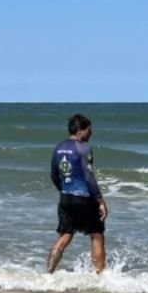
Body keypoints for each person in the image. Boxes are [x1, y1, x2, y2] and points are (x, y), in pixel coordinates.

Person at [47, 113, 108, 274]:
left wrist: (64, 191)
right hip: (84, 198)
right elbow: (88, 176)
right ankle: (100, 276)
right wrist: (100, 201)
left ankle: (48, 273)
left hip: (65, 198)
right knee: (96, 235)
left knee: (65, 235)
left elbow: (53, 174)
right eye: (89, 129)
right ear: (80, 131)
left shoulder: (58, 148)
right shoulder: (84, 148)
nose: (91, 133)